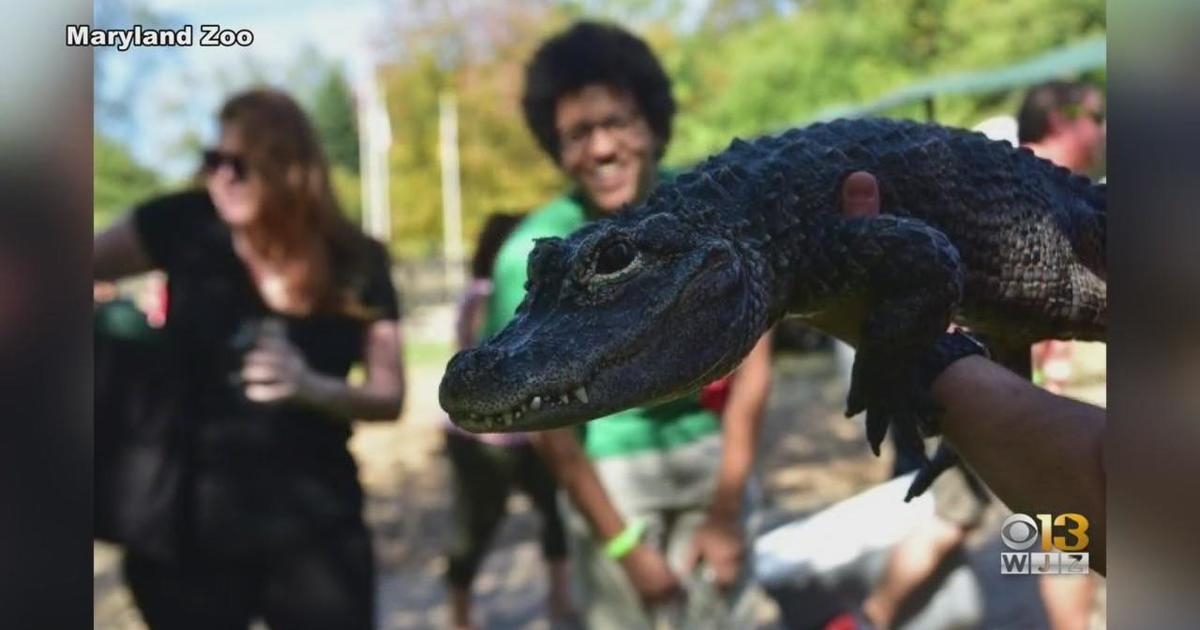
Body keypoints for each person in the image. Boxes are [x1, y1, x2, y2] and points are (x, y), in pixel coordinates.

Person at [488, 21, 774, 628]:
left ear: (652, 124)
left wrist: (726, 510)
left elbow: (756, 363)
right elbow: (552, 436)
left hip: (711, 457)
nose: (601, 148)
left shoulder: (711, 209)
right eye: (577, 133)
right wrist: (624, 550)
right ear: (556, 146)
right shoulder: (528, 254)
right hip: (610, 485)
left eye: (616, 122)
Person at [93, 88, 405, 629]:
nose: (223, 177)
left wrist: (312, 386)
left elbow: (389, 396)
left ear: (291, 167)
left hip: (315, 527)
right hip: (186, 528)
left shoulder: (356, 261)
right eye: (213, 161)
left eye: (242, 164)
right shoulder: (182, 224)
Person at [841, 171, 1107, 573]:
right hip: (1026, 402)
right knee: (1038, 544)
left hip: (1032, 411)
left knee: (1063, 544)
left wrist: (914, 352)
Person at [442, 213, 573, 630]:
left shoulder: (525, 293)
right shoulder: (484, 294)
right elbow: (482, 352)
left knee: (557, 515)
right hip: (486, 441)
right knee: (478, 525)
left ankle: (560, 601)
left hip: (533, 433)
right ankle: (460, 614)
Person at [1017, 80, 1107, 630]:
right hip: (1055, 398)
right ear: (1060, 122)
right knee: (1058, 546)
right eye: (1095, 117)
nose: (1102, 131)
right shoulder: (1025, 186)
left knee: (1054, 545)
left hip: (1031, 404)